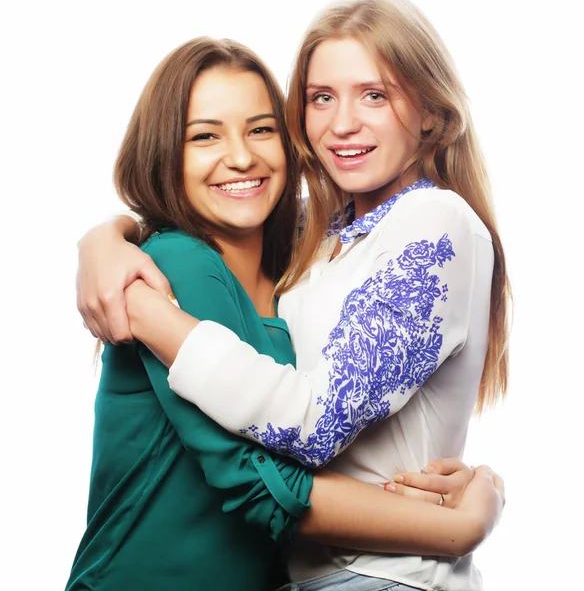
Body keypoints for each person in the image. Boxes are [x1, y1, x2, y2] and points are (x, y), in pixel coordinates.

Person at [68, 34, 503, 591]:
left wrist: (108, 236)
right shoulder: (177, 264)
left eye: (261, 129)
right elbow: (260, 482)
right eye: (205, 136)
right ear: (164, 153)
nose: (242, 156)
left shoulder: (303, 264)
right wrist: (459, 526)